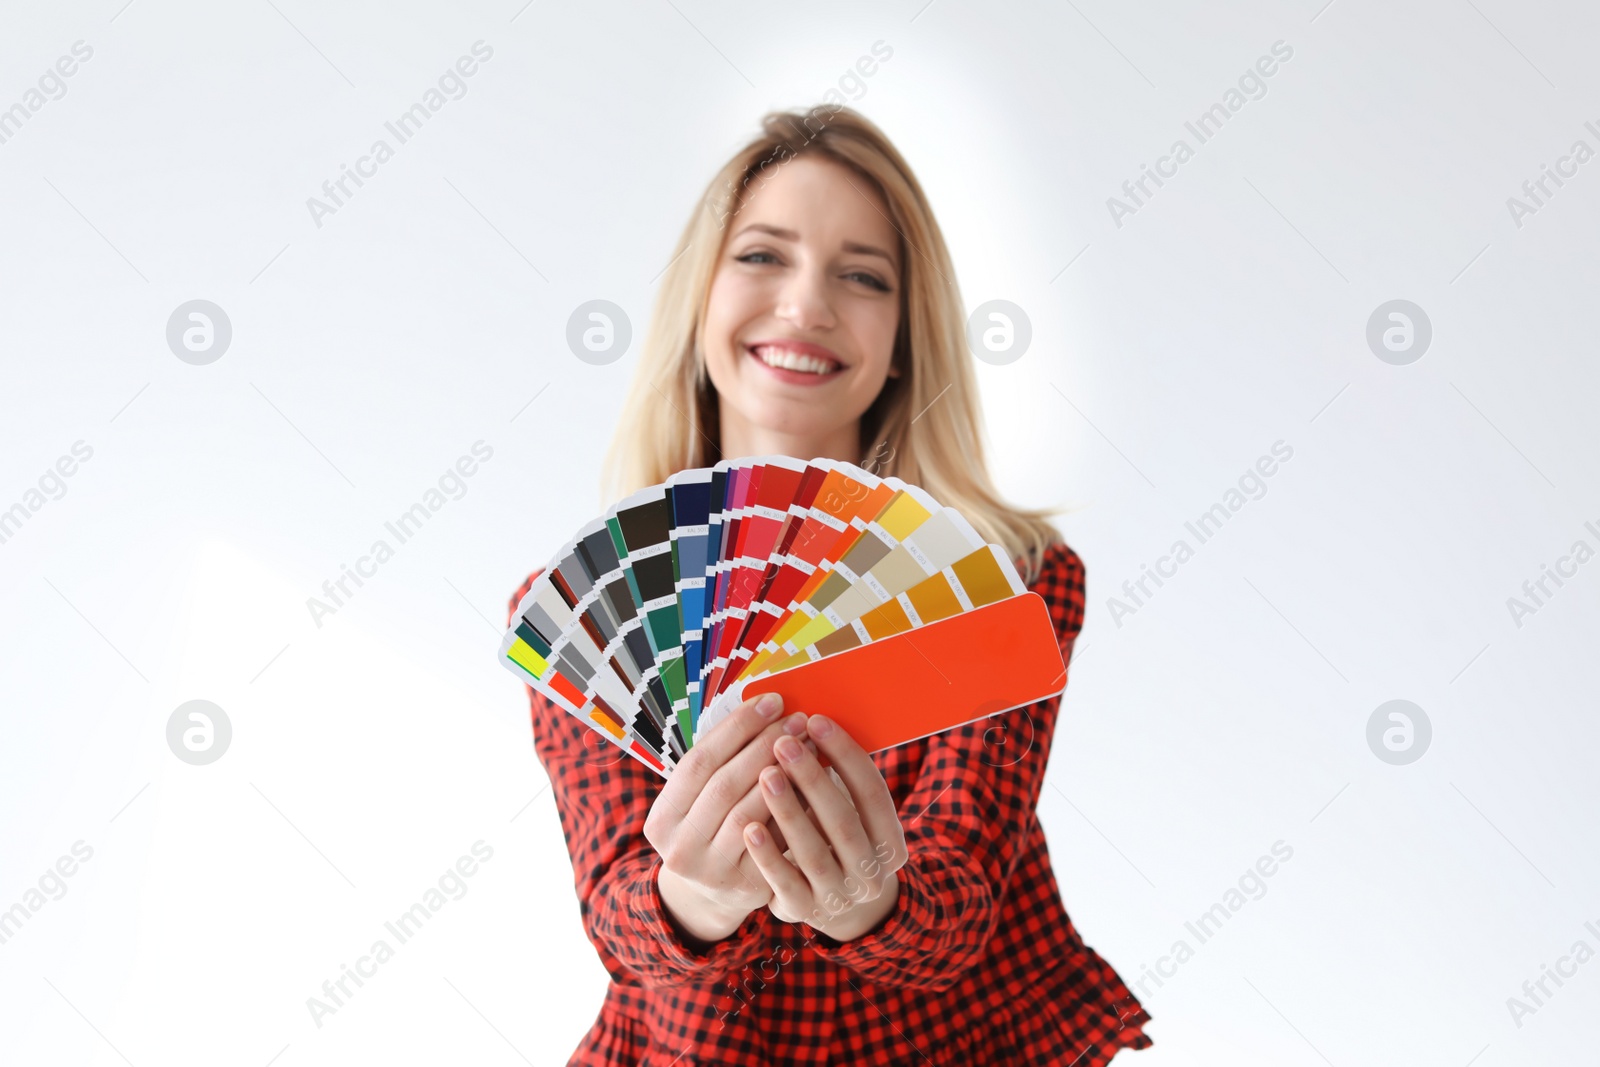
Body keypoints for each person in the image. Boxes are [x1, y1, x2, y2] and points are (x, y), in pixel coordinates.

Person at [506, 105, 1153, 1064]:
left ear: (903, 341)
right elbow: (617, 913)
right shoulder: (591, 611)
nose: (808, 304)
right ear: (698, 301)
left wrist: (873, 902)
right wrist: (698, 896)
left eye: (862, 276)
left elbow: (961, 894)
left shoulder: (1008, 582)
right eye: (763, 256)